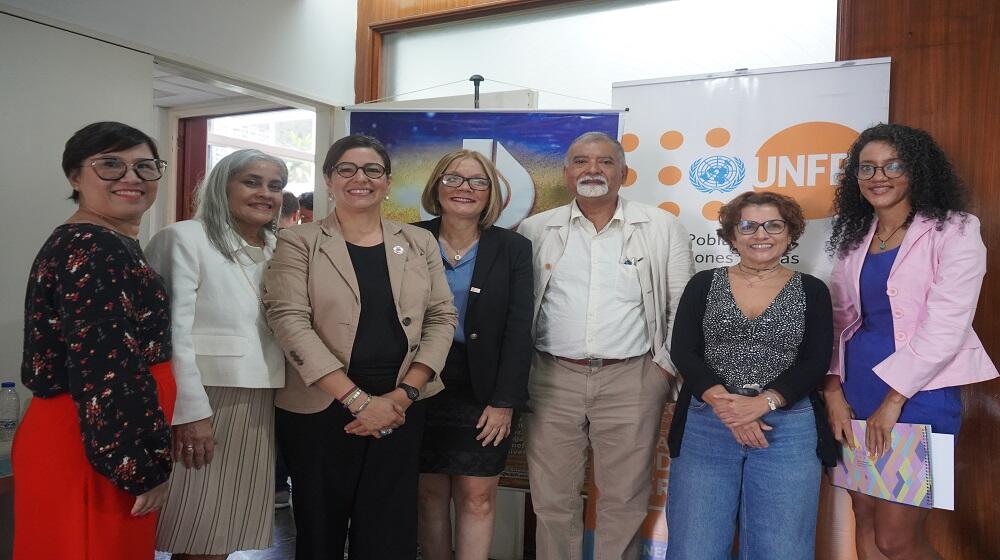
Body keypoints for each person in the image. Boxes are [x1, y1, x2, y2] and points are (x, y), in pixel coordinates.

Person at [262, 134, 457, 559]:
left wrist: (404, 394)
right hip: (321, 402)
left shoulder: (419, 241)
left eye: (372, 170)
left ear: (387, 182)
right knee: (320, 529)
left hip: (400, 402)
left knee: (389, 529)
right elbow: (289, 322)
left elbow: (442, 317)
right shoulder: (299, 242)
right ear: (329, 180)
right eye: (346, 169)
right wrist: (355, 400)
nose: (360, 179)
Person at [824, 123, 999, 560]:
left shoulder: (955, 229)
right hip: (855, 389)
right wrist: (832, 392)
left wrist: (893, 400)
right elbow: (837, 320)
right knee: (864, 517)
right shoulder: (854, 237)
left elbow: (947, 324)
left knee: (896, 538)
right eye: (867, 168)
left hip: (919, 392)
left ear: (916, 171)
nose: (878, 176)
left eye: (892, 165)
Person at [517, 131, 693, 559]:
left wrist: (663, 369)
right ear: (566, 173)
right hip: (552, 378)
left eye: (604, 161)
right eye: (580, 161)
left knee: (625, 498)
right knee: (552, 500)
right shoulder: (535, 229)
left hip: (633, 378)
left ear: (624, 173)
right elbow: (519, 308)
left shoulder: (661, 227)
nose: (592, 169)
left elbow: (682, 307)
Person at [14, 121, 174, 559]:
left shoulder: (103, 241)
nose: (131, 178)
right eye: (110, 165)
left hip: (97, 435)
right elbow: (107, 367)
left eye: (145, 166)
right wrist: (140, 467)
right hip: (94, 441)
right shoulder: (93, 246)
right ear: (74, 176)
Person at [664, 191, 836, 559]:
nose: (762, 234)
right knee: (695, 547)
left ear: (790, 233)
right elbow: (683, 351)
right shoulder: (703, 285)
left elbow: (816, 361)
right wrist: (729, 407)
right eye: (748, 225)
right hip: (707, 425)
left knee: (781, 548)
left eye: (774, 224)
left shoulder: (812, 290)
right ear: (731, 235)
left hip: (787, 429)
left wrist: (762, 403)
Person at [145, 149, 287, 559]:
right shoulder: (185, 238)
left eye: (275, 186)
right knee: (198, 529)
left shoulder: (281, 246)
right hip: (205, 398)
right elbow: (170, 333)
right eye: (252, 181)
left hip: (263, 397)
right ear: (222, 185)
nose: (265, 193)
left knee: (225, 529)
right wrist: (190, 412)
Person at [414, 150, 533, 560]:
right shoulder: (409, 239)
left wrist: (504, 402)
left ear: (491, 194)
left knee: (477, 495)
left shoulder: (512, 247)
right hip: (419, 383)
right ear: (436, 186)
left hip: (484, 386)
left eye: (477, 182)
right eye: (454, 179)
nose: (465, 189)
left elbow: (520, 329)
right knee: (428, 494)